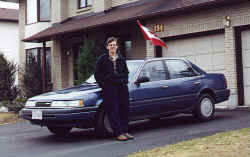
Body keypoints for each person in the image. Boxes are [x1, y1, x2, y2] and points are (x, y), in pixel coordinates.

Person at [94, 37, 134, 141]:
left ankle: (125, 131)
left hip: (122, 87)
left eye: (114, 45)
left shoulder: (121, 58)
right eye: (110, 45)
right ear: (107, 47)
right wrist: (105, 85)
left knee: (124, 109)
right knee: (113, 111)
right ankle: (118, 133)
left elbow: (126, 73)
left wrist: (124, 81)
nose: (112, 47)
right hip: (110, 89)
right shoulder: (102, 59)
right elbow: (97, 75)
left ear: (117, 47)